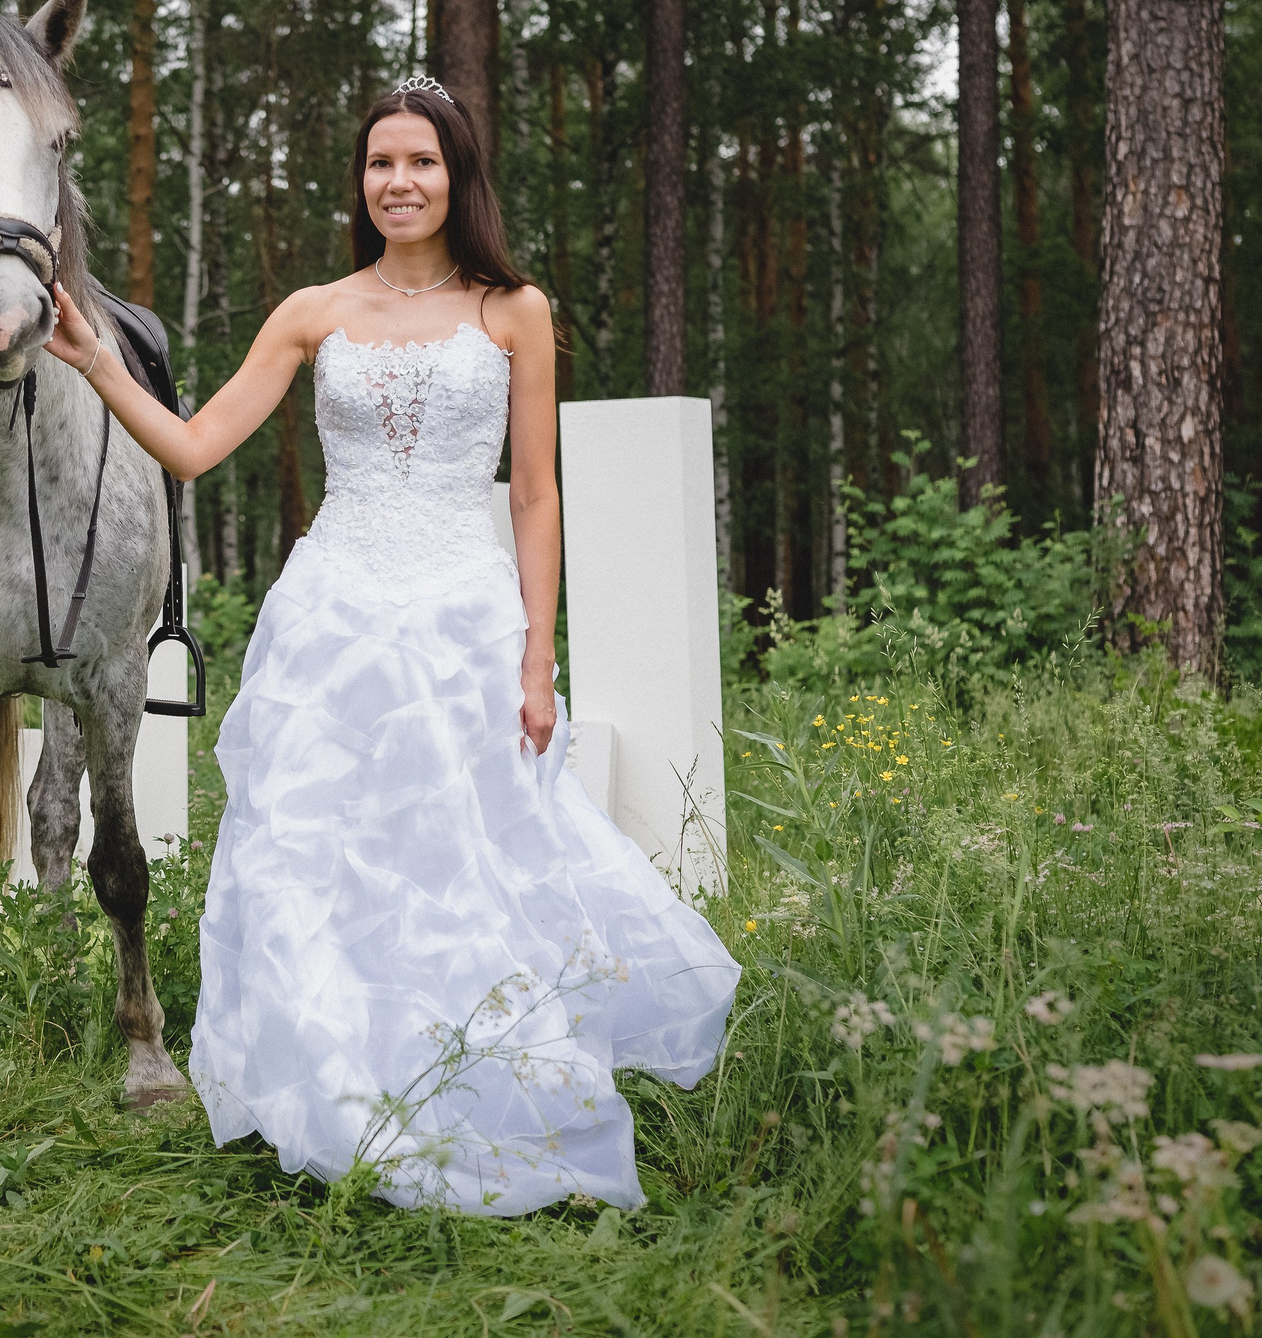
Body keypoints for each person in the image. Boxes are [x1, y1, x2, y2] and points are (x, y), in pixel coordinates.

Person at [42, 77, 739, 1215]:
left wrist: (536, 658)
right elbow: (195, 446)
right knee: (319, 854)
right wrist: (96, 361)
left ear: (457, 176)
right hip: (334, 617)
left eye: (421, 161)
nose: (399, 182)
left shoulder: (514, 309)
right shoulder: (314, 310)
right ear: (359, 181)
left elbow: (534, 494)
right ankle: (334, 1089)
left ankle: (474, 1076)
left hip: (465, 617)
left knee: (464, 854)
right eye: (380, 163)